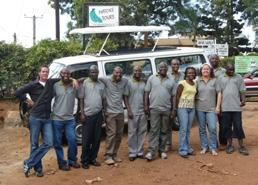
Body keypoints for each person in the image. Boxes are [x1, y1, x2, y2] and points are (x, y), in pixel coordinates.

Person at [16, 65, 78, 177]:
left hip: (47, 118)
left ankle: (28, 162)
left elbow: (64, 77)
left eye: (47, 72)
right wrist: (27, 99)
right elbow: (18, 92)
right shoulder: (32, 85)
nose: (45, 73)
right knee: (34, 144)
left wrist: (73, 79)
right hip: (35, 118)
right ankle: (38, 169)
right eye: (43, 71)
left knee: (49, 143)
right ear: (39, 73)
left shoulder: (50, 83)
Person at [144, 62, 176, 161]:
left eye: (165, 67)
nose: (163, 68)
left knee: (164, 130)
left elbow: (174, 96)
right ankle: (151, 152)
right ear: (158, 68)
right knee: (154, 130)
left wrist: (174, 109)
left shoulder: (171, 81)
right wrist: (146, 106)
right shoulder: (152, 78)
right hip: (154, 109)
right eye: (161, 67)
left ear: (167, 69)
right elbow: (146, 93)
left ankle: (162, 151)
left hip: (166, 109)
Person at [52, 68, 80, 171]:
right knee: (58, 142)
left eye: (68, 73)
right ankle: (62, 163)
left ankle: (72, 160)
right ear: (60, 74)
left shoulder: (73, 85)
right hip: (56, 119)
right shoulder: (55, 86)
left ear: (70, 74)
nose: (65, 75)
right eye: (63, 73)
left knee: (72, 140)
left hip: (69, 118)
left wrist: (74, 79)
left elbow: (83, 81)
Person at [218, 63, 249, 155]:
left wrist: (243, 100)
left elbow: (242, 90)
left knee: (238, 126)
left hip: (236, 107)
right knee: (227, 127)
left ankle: (241, 146)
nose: (231, 71)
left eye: (233, 70)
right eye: (229, 69)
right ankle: (229, 145)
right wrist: (218, 106)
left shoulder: (238, 77)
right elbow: (219, 92)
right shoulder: (221, 78)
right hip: (225, 107)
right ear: (226, 69)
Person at [99, 66, 128, 165]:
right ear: (113, 72)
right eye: (116, 73)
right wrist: (74, 80)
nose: (118, 75)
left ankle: (114, 154)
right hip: (110, 112)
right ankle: (108, 155)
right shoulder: (106, 80)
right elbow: (92, 77)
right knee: (111, 134)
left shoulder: (124, 81)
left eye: (120, 73)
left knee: (119, 135)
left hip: (120, 112)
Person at [79, 65, 105, 169]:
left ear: (98, 73)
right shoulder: (84, 83)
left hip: (98, 114)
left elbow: (103, 99)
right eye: (92, 72)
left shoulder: (101, 85)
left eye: (96, 72)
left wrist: (103, 112)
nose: (94, 74)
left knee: (97, 138)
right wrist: (82, 113)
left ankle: (93, 158)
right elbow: (81, 98)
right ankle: (84, 160)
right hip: (87, 115)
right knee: (86, 140)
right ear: (89, 73)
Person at [196, 64, 221, 156]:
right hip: (199, 108)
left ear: (210, 71)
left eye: (207, 69)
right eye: (203, 69)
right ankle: (204, 147)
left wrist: (218, 106)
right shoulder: (197, 81)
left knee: (213, 128)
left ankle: (213, 148)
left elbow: (219, 93)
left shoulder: (214, 80)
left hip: (211, 109)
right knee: (202, 129)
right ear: (201, 71)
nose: (205, 70)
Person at [124, 66, 147, 161]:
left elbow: (146, 96)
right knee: (132, 132)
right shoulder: (129, 82)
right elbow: (125, 97)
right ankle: (132, 152)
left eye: (139, 71)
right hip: (132, 111)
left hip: (142, 111)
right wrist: (128, 110)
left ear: (141, 72)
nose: (137, 72)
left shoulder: (143, 82)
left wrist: (146, 108)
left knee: (142, 132)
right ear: (133, 72)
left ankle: (140, 151)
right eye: (135, 70)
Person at [176, 67, 197, 158]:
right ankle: (182, 149)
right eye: (189, 73)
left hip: (191, 108)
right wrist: (176, 109)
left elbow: (194, 95)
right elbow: (177, 96)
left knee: (188, 129)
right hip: (182, 108)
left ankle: (187, 147)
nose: (191, 74)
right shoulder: (182, 83)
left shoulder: (195, 84)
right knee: (183, 129)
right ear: (185, 74)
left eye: (192, 73)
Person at [166, 58, 185, 151]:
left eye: (177, 64)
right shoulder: (167, 75)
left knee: (183, 124)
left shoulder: (183, 75)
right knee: (168, 125)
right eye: (174, 64)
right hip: (170, 103)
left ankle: (183, 144)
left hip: (181, 102)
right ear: (170, 65)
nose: (176, 66)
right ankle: (168, 144)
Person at [209, 54, 227, 147]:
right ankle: (214, 142)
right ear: (209, 60)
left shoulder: (224, 71)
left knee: (222, 122)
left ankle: (223, 142)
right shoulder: (207, 70)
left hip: (221, 98)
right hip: (209, 99)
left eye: (216, 58)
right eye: (212, 58)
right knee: (211, 123)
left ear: (219, 60)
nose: (214, 60)